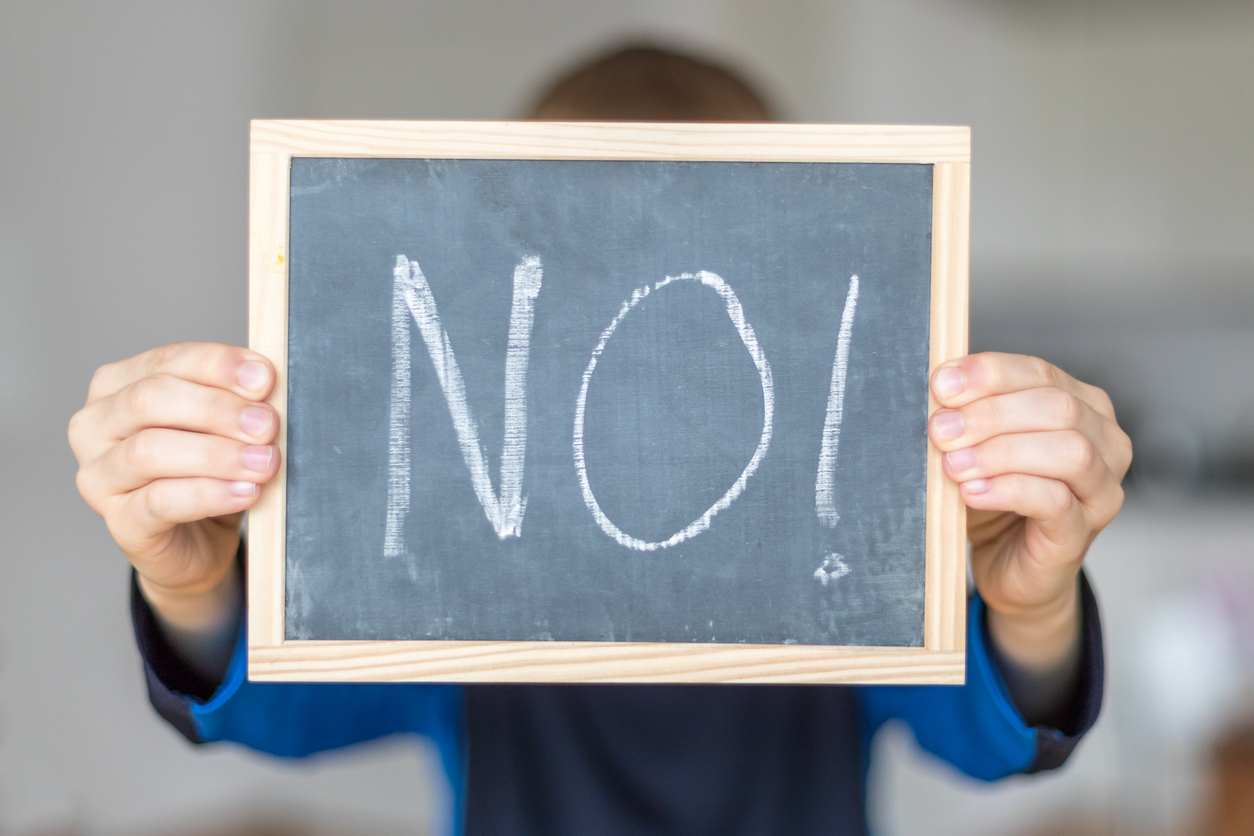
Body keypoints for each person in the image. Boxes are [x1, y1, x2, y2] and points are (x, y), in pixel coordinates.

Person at [68, 46, 1130, 836]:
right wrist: (195, 589)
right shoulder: (456, 543)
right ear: (518, 308)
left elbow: (999, 736)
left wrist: (1031, 603)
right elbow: (273, 711)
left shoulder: (841, 527)